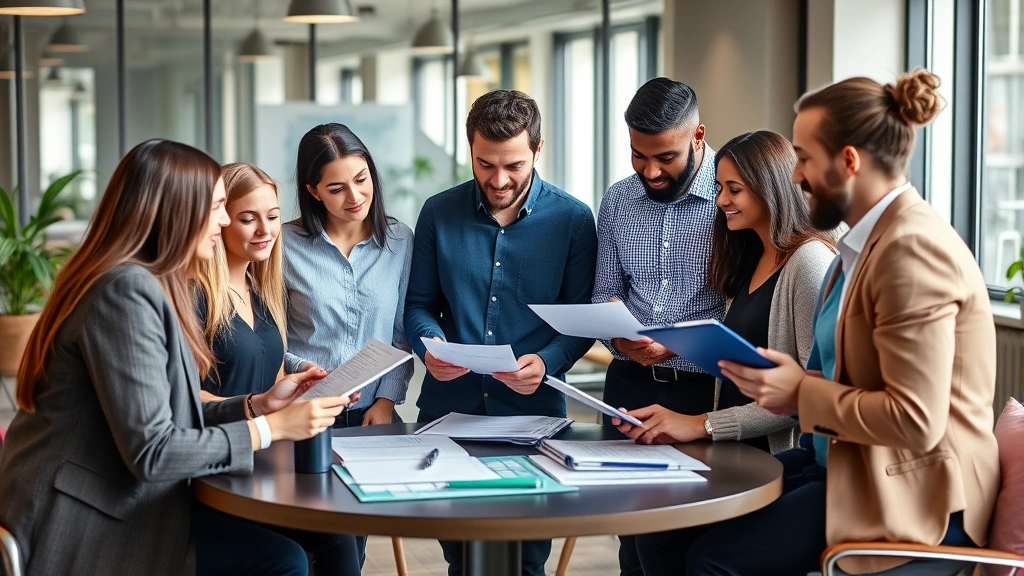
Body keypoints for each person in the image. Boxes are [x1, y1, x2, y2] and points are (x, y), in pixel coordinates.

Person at [694, 69, 1000, 576]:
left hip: (918, 494)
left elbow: (915, 420)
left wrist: (799, 393)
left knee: (713, 560)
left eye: (804, 159)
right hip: (840, 461)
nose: (795, 177)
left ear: (849, 161)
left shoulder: (911, 251)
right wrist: (781, 385)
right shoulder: (854, 250)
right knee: (692, 525)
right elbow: (839, 375)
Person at [0, 139, 351, 576]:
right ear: (176, 211)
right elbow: (154, 451)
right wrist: (271, 428)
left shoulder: (140, 282)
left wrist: (256, 405)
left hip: (118, 501)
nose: (224, 220)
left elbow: (167, 413)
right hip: (85, 522)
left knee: (321, 539)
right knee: (283, 561)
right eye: (218, 207)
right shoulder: (126, 291)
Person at [611, 130, 836, 574]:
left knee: (695, 552)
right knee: (654, 532)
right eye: (719, 187)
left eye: (734, 189)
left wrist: (701, 424)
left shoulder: (809, 263)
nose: (720, 201)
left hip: (771, 456)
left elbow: (810, 396)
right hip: (733, 450)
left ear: (771, 188)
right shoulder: (749, 257)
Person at [404, 89, 598, 576]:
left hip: (535, 420)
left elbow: (581, 322)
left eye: (513, 164)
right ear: (470, 148)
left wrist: (548, 362)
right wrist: (431, 347)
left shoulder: (573, 220)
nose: (498, 179)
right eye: (484, 164)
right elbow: (419, 306)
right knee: (461, 558)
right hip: (449, 414)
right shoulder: (438, 212)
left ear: (538, 149)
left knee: (526, 559)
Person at [192, 162, 361, 576]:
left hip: (263, 464)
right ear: (220, 221)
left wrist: (310, 390)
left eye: (271, 217)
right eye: (248, 219)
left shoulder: (262, 292)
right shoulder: (197, 297)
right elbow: (183, 397)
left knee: (342, 529)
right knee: (302, 552)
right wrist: (258, 405)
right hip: (215, 472)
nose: (265, 230)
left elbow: (270, 383)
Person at [592, 77, 725, 576]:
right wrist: (619, 334)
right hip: (627, 387)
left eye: (665, 157)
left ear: (697, 136)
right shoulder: (618, 200)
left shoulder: (733, 196)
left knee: (689, 542)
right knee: (633, 543)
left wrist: (677, 345)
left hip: (703, 393)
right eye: (638, 155)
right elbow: (604, 292)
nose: (650, 171)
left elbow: (751, 305)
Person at [282, 123, 414, 429]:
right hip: (305, 413)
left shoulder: (400, 240)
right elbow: (269, 336)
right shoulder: (284, 245)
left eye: (361, 179)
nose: (354, 197)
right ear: (313, 191)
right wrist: (302, 368)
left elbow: (400, 335)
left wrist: (386, 402)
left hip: (374, 416)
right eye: (336, 189)